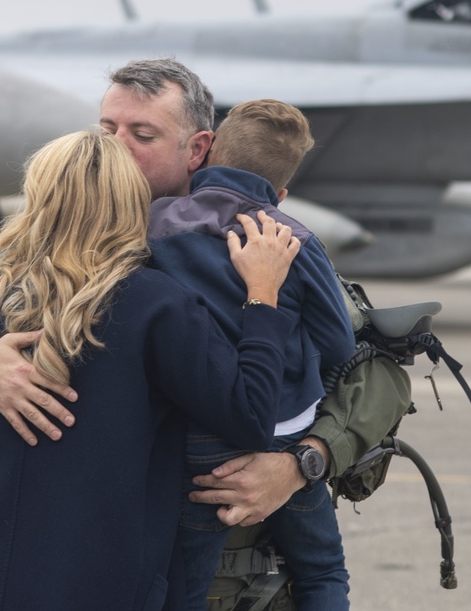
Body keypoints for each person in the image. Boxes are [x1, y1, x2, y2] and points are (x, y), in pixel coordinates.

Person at [0, 58, 412, 606]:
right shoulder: (52, 262)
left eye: (142, 134)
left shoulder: (258, 247)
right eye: (106, 129)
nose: (115, 145)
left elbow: (378, 373)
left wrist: (302, 463)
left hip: (238, 576)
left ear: (198, 149)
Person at [0, 129, 300, 610]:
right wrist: (263, 297)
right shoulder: (156, 305)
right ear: (130, 202)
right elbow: (250, 416)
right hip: (96, 584)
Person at [149, 99, 354, 610]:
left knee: (185, 588)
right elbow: (338, 343)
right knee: (323, 569)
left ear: (207, 150)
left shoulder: (154, 225)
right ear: (281, 193)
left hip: (201, 437)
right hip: (287, 436)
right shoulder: (293, 237)